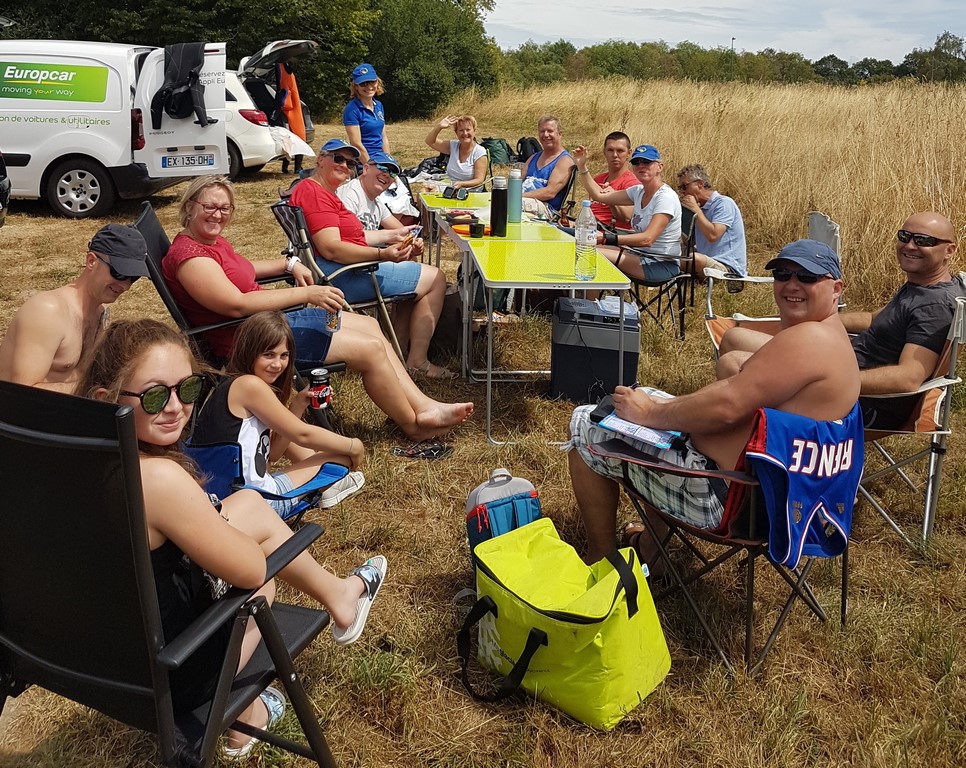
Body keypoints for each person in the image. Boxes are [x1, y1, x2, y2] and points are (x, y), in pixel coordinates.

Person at [78, 318, 387, 756]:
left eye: (187, 389)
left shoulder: (77, 465)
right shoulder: (159, 478)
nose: (175, 408)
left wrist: (212, 517)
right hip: (171, 676)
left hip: (101, 664)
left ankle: (339, 596)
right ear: (106, 399)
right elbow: (251, 569)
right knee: (263, 586)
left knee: (247, 504)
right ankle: (248, 718)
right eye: (154, 396)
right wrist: (215, 523)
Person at [567, 240, 860, 565]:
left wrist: (650, 413)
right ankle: (651, 550)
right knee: (648, 400)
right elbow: (736, 392)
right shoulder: (834, 341)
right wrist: (657, 410)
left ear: (836, 288)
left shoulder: (810, 339)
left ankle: (602, 562)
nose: (791, 284)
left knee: (586, 422)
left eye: (806, 277)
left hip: (724, 496)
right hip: (773, 499)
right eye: (782, 274)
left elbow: (727, 406)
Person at [162, 175, 473, 438]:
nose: (218, 215)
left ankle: (422, 405)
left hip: (265, 323)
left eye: (224, 208)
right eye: (209, 207)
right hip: (251, 341)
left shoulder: (208, 243)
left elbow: (241, 269)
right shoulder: (191, 258)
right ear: (189, 206)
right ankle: (414, 426)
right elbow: (236, 305)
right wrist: (306, 294)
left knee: (370, 325)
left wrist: (288, 263)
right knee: (369, 350)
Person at [719, 212, 965, 429]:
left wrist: (838, 380)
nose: (910, 245)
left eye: (923, 240)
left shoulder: (934, 306)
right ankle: (740, 429)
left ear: (949, 250)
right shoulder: (921, 286)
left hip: (861, 404)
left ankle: (743, 449)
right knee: (734, 337)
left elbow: (908, 378)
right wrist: (822, 319)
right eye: (905, 236)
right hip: (839, 364)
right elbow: (873, 319)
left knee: (734, 364)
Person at [291, 139, 454, 379]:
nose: (345, 165)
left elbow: (351, 237)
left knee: (415, 273)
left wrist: (395, 237)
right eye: (338, 159)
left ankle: (398, 350)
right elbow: (332, 249)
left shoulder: (322, 192)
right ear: (320, 160)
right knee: (436, 278)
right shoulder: (318, 194)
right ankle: (417, 361)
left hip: (342, 268)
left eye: (350, 163)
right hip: (342, 275)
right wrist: (382, 254)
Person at [192, 312, 367, 518]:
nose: (277, 364)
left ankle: (325, 488)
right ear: (249, 352)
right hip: (259, 504)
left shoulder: (230, 383)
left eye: (284, 356)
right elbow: (303, 434)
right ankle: (328, 488)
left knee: (295, 436)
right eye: (269, 355)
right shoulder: (250, 385)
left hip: (227, 500)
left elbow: (273, 455)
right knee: (341, 456)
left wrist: (298, 404)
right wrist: (354, 445)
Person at [0, 223, 149, 392]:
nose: (125, 285)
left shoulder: (101, 312)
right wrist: (96, 391)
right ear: (91, 261)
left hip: (66, 405)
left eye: (133, 277)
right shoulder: (47, 311)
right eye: (120, 274)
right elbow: (23, 392)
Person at [572, 143, 682, 283]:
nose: (641, 166)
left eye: (646, 162)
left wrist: (607, 238)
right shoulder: (638, 191)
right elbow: (599, 195)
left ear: (659, 167)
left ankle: (589, 296)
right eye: (636, 162)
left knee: (591, 254)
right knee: (582, 248)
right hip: (638, 254)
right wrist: (582, 166)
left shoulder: (665, 197)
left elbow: (648, 239)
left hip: (660, 264)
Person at [335, 150, 425, 260]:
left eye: (392, 173)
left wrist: (415, 242)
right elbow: (347, 239)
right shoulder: (349, 196)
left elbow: (401, 231)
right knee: (432, 271)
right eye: (382, 168)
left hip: (369, 259)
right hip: (353, 261)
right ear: (366, 169)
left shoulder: (376, 202)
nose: (386, 174)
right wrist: (386, 245)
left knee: (409, 255)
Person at [676, 163, 747, 276]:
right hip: (706, 258)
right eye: (680, 188)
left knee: (694, 259)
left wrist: (696, 210)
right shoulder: (700, 207)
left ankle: (668, 266)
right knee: (667, 248)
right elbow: (688, 241)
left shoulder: (724, 203)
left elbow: (713, 235)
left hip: (726, 267)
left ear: (700, 184)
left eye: (684, 187)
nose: (682, 192)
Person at [521, 115, 575, 216]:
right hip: (522, 201)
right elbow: (517, 182)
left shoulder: (564, 161)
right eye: (542, 131)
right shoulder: (533, 158)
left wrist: (517, 197)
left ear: (560, 134)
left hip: (545, 208)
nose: (545, 135)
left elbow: (550, 192)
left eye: (550, 131)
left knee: (511, 205)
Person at [424, 115, 487, 190]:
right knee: (424, 191)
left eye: (468, 130)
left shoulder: (479, 151)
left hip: (470, 191)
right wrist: (439, 127)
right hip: (452, 187)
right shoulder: (453, 146)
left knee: (431, 192)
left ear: (474, 131)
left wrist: (462, 184)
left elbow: (479, 180)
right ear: (456, 133)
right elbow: (429, 141)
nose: (465, 133)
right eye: (461, 130)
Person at [588, 131, 636, 229]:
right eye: (610, 150)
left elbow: (627, 217)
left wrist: (611, 198)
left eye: (620, 151)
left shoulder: (632, 183)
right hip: (589, 228)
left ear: (629, 153)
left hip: (611, 233)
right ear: (604, 152)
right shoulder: (598, 179)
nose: (614, 155)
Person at [342, 63, 388, 165]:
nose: (369, 87)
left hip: (380, 158)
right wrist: (370, 167)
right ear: (356, 86)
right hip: (363, 161)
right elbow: (356, 143)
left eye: (372, 82)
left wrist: (388, 161)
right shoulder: (352, 109)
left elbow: (383, 137)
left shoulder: (378, 105)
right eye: (363, 84)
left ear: (377, 82)